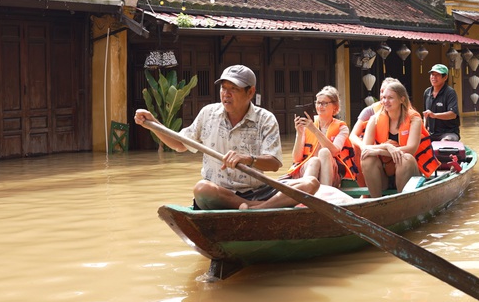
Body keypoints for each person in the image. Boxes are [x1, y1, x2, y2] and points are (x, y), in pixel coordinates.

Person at [135, 64, 319, 210]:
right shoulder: (208, 114)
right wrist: (153, 123)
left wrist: (248, 159)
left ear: (250, 92)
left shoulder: (265, 119)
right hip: (220, 193)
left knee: (310, 183)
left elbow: (274, 164)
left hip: (258, 191)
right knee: (202, 189)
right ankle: (261, 209)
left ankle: (259, 207)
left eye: (233, 89)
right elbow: (179, 145)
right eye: (223, 88)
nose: (226, 94)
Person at [360, 81, 439, 198]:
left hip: (409, 171)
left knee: (405, 158)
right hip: (385, 174)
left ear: (402, 99)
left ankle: (402, 202)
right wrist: (387, 146)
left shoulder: (414, 119)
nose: (386, 101)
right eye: (384, 98)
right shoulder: (374, 119)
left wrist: (380, 151)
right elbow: (365, 148)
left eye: (390, 98)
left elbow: (411, 149)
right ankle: (377, 203)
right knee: (367, 158)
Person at [286, 86, 357, 187]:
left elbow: (335, 151)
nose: (320, 106)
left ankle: (325, 194)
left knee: (324, 152)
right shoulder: (307, 124)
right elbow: (296, 158)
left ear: (335, 107)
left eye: (324, 103)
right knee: (314, 161)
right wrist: (300, 132)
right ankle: (304, 195)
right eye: (318, 103)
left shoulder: (342, 127)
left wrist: (314, 130)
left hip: (331, 173)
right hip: (308, 169)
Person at [348, 77, 400, 186]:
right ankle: (364, 189)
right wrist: (364, 147)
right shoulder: (370, 111)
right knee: (357, 148)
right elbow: (353, 135)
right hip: (375, 153)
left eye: (388, 93)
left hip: (398, 157)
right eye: (382, 92)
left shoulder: (407, 115)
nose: (383, 96)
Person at [422, 64, 461, 141]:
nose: (434, 77)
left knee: (445, 141)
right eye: (432, 74)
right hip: (431, 133)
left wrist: (434, 115)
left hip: (448, 133)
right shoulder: (427, 92)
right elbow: (425, 115)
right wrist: (424, 129)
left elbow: (453, 114)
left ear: (445, 77)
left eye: (437, 75)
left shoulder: (450, 92)